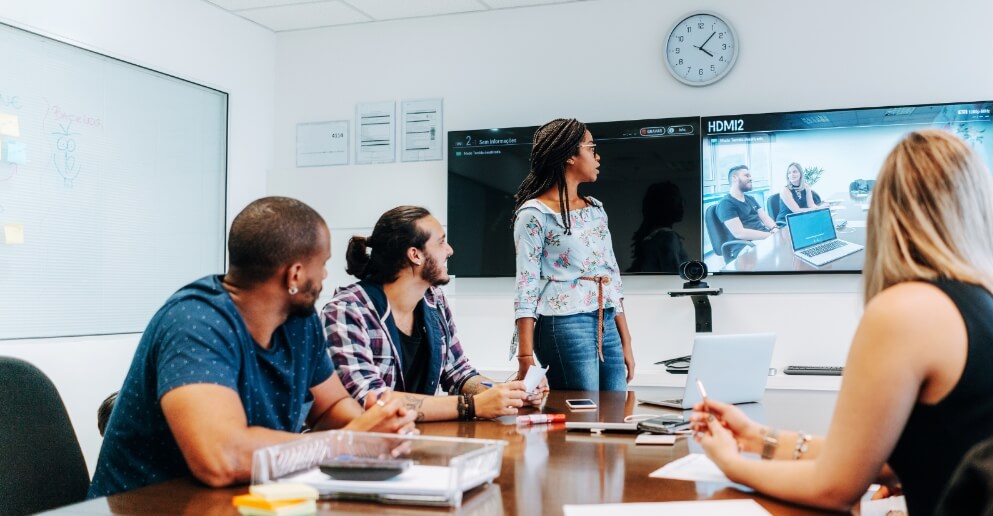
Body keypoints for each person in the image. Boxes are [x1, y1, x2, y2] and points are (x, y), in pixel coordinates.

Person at [689, 130, 993, 515]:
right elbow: (881, 462)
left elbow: (834, 488)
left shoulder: (908, 309)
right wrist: (758, 437)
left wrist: (728, 462)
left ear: (886, 212)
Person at [89, 197, 415, 498]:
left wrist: (374, 429)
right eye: (323, 264)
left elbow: (331, 408)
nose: (325, 275)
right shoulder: (195, 323)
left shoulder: (299, 322)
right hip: (149, 506)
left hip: (239, 502)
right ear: (296, 274)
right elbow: (221, 458)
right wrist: (349, 441)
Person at [322, 206, 547, 422]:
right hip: (368, 449)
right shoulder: (347, 311)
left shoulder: (434, 300)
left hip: (416, 441)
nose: (450, 250)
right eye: (441, 242)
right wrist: (471, 406)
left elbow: (459, 374)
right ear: (415, 255)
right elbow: (371, 400)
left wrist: (506, 394)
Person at [512, 118, 634, 391]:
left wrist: (626, 341)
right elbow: (526, 285)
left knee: (616, 413)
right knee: (580, 415)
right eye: (591, 148)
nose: (597, 156)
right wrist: (525, 355)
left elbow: (611, 276)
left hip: (606, 319)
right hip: (564, 323)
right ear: (569, 156)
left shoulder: (595, 209)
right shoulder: (534, 214)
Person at [628, 181, 689, 273]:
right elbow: (674, 280)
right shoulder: (667, 238)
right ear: (663, 205)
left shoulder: (652, 237)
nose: (681, 205)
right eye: (676, 200)